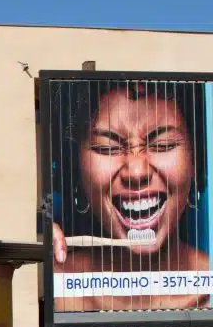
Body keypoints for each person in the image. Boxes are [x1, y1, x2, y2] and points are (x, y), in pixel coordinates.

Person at [52, 80, 209, 311]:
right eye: (107, 148)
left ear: (195, 161)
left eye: (163, 144)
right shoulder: (51, 284)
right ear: (75, 170)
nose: (136, 171)